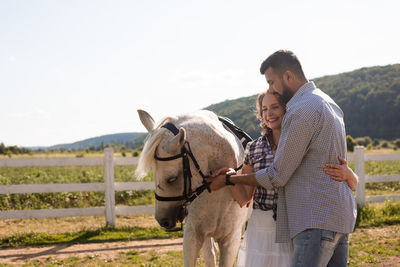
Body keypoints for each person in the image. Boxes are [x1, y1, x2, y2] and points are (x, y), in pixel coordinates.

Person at [207, 50, 357, 267]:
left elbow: (277, 176)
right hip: (339, 218)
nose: (270, 89)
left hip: (314, 220)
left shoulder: (301, 110)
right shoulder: (328, 103)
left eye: (272, 82)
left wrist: (231, 179)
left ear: (288, 76)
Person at [233, 90, 358, 267]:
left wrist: (349, 174)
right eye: (264, 109)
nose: (269, 113)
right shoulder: (253, 148)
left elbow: (348, 182)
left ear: (287, 109)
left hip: (294, 224)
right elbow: (243, 197)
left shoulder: (300, 141)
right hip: (261, 228)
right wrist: (231, 177)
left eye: (275, 107)